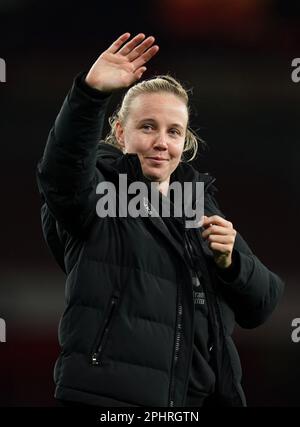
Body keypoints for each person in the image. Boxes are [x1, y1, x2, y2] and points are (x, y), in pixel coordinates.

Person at [36, 33, 284, 407]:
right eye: (147, 126)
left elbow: (262, 304)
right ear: (120, 132)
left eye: (174, 132)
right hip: (111, 402)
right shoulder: (98, 193)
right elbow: (60, 173)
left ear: (185, 142)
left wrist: (233, 263)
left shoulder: (199, 205)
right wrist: (89, 95)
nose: (161, 142)